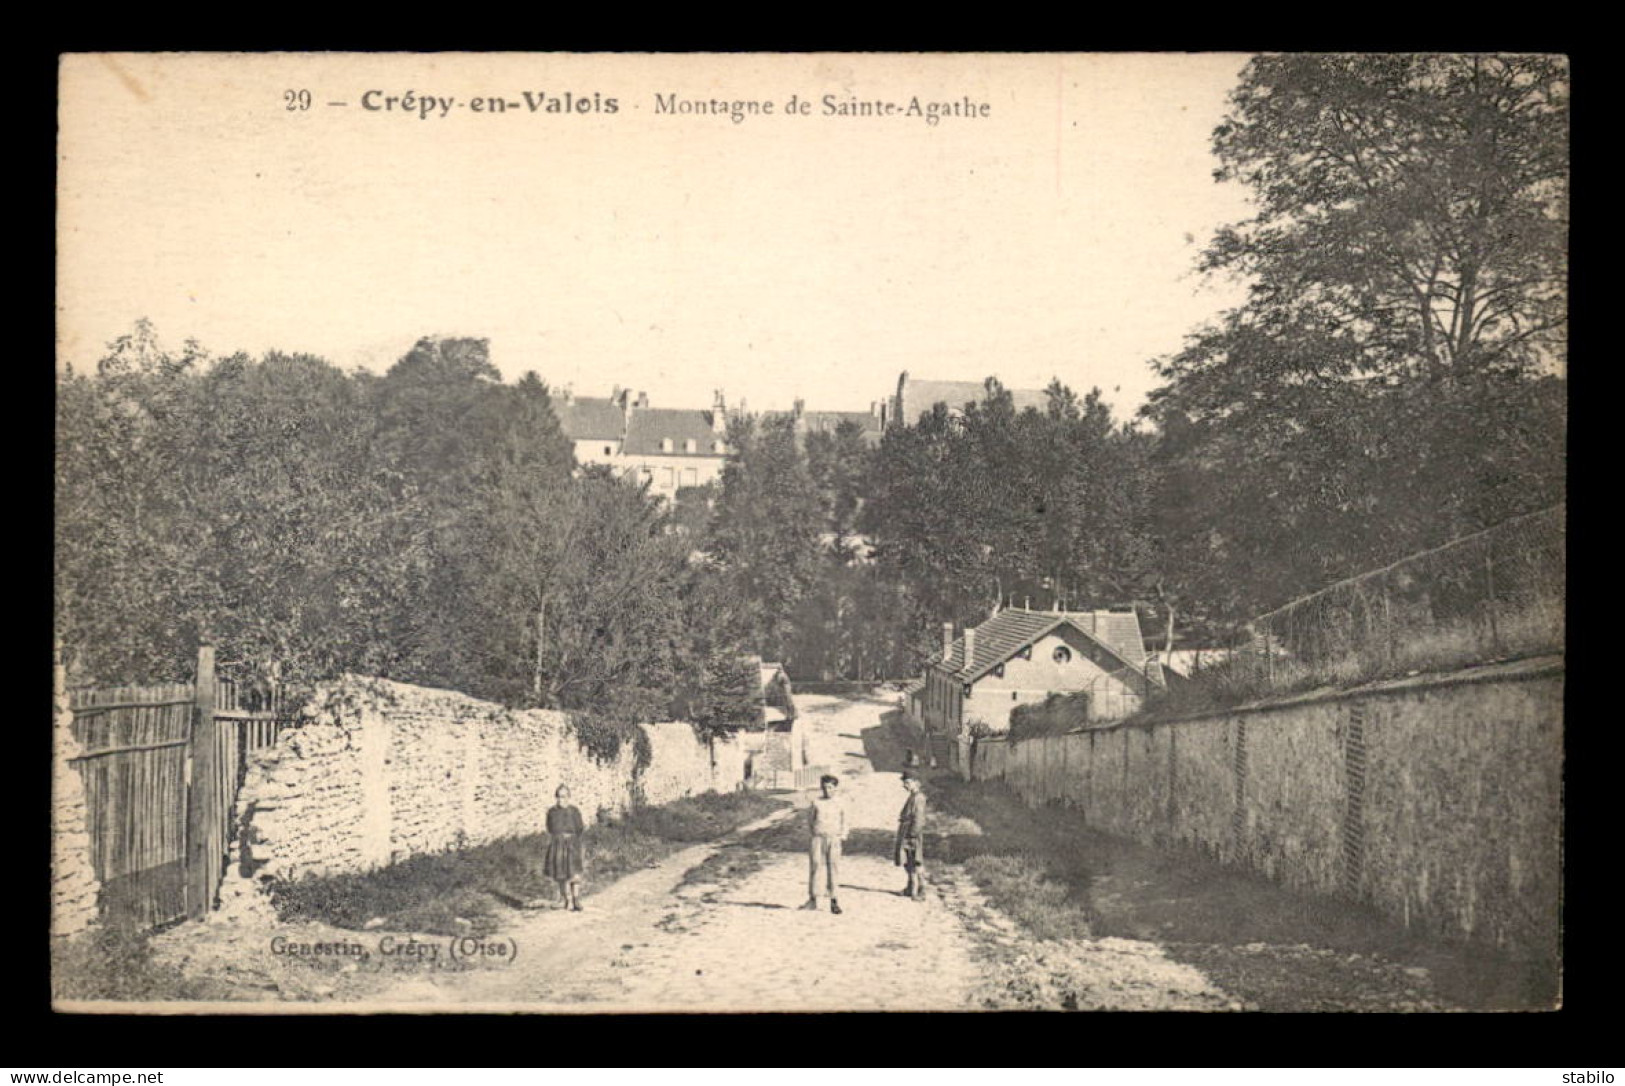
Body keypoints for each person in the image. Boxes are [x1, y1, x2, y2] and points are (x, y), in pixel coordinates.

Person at [801, 773, 846, 915]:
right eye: (825, 787)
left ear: (836, 788)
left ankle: (834, 900)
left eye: (831, 787)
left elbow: (845, 821)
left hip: (833, 838)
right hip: (818, 838)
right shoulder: (816, 803)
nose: (828, 790)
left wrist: (841, 836)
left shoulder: (840, 803)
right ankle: (813, 899)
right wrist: (815, 834)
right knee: (815, 867)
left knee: (833, 868)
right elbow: (810, 820)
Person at [545, 784, 587, 911]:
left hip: (572, 844)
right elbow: (550, 827)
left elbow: (580, 827)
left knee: (575, 872)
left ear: (568, 797)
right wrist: (559, 837)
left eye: (563, 797)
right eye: (558, 797)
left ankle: (576, 899)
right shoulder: (552, 812)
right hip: (558, 843)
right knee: (560, 872)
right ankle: (565, 899)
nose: (560, 800)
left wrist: (572, 838)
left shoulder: (574, 811)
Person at [894, 773, 927, 900]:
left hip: (911, 834)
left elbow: (919, 819)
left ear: (916, 782)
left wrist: (912, 834)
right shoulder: (913, 796)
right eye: (904, 783)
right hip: (907, 832)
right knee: (908, 861)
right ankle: (910, 887)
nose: (904, 785)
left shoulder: (919, 798)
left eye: (907, 782)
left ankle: (921, 890)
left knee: (916, 861)